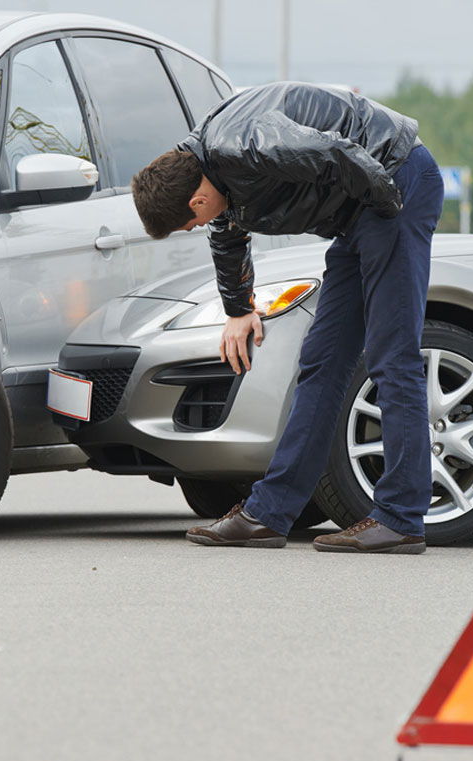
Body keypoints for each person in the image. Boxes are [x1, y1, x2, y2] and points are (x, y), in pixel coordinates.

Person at [132, 82, 444, 554]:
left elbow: (337, 153)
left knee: (391, 354)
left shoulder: (248, 144)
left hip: (393, 186)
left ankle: (401, 518)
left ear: (195, 201)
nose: (197, 227)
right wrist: (238, 310)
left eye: (188, 224)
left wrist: (388, 214)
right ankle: (269, 514)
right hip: (361, 213)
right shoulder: (208, 166)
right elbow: (228, 232)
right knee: (321, 359)